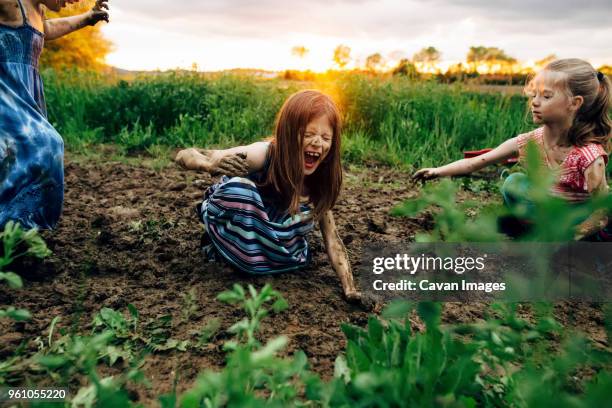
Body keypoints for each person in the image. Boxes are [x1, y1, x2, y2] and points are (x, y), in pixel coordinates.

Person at [175, 90, 364, 303]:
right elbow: (186, 154)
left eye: (325, 137)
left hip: (280, 257)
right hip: (240, 242)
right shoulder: (264, 154)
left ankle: (261, 263)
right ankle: (230, 254)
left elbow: (332, 239)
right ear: (289, 133)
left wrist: (350, 288)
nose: (317, 143)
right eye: (309, 134)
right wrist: (209, 164)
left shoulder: (320, 182)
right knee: (239, 189)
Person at [414, 59, 611, 239]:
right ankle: (527, 231)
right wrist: (437, 171)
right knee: (514, 182)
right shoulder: (529, 141)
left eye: (546, 96)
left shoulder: (589, 156)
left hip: (576, 221)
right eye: (534, 94)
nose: (534, 102)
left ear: (574, 103)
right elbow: (475, 163)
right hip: (546, 214)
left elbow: (600, 214)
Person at [0, 0, 109, 229]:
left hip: (26, 92)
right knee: (45, 145)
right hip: (6, 92)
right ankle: (17, 222)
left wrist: (88, 18)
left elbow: (47, 30)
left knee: (17, 156)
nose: (70, 2)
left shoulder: (37, 11)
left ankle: (15, 229)